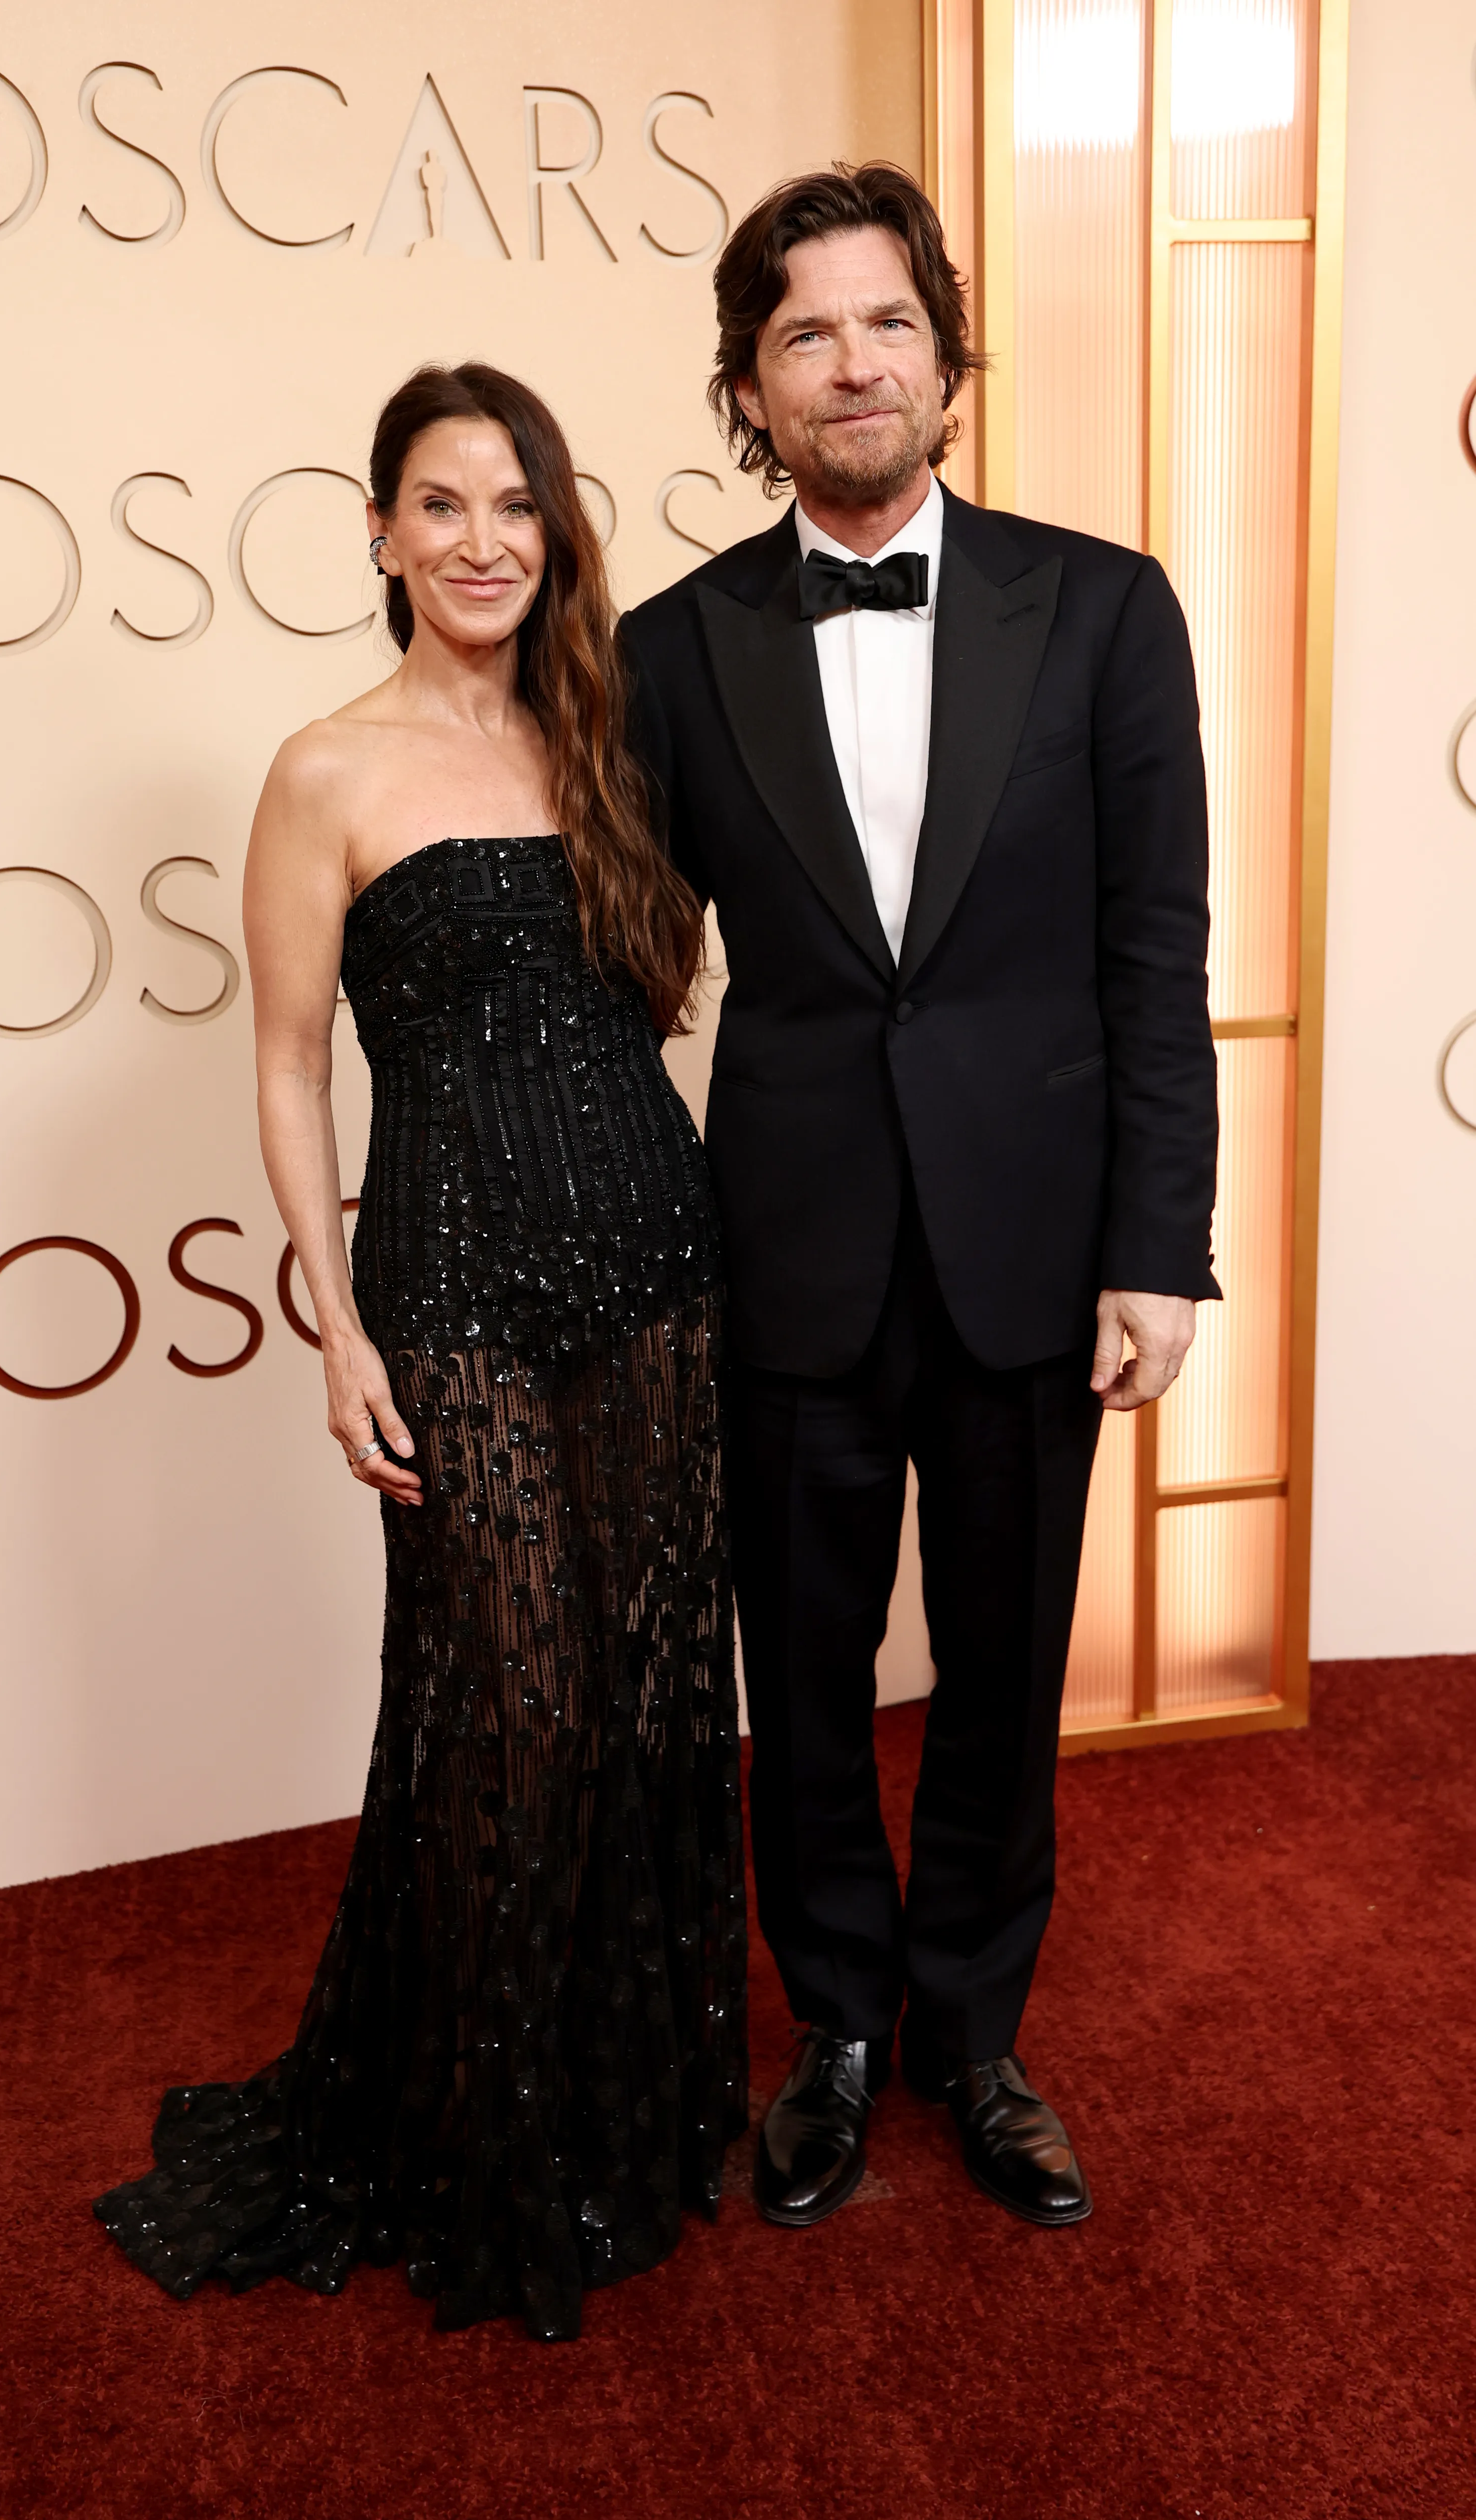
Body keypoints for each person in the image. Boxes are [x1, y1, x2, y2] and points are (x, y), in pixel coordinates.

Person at [94, 363, 747, 2342]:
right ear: (378, 531)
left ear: (554, 535)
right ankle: (469, 2131)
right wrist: (332, 1313)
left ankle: (621, 2116)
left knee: (641, 1692)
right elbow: (290, 1061)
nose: (480, 539)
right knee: (513, 1700)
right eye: (440, 504)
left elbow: (665, 989)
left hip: (650, 1241)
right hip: (453, 1275)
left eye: (514, 506)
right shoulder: (324, 768)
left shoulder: (602, 735)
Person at [621, 164, 1218, 2233]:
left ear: (946, 356)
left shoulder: (1106, 605)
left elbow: (1157, 951)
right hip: (774, 1247)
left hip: (1032, 1246)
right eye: (800, 333)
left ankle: (975, 2029)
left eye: (882, 321)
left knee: (999, 1661)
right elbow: (611, 958)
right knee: (794, 1672)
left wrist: (1157, 1243)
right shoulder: (668, 648)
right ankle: (839, 2029)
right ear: (747, 386)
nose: (848, 363)